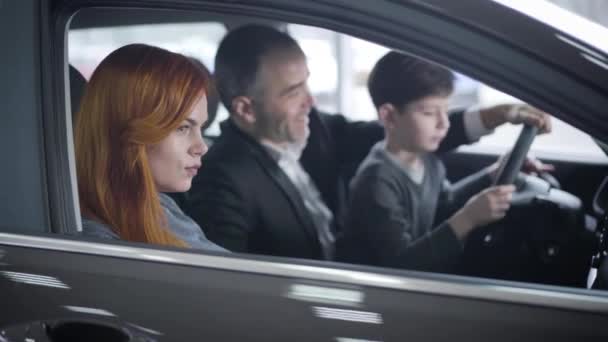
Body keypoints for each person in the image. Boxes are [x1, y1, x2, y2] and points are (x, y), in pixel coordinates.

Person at [185, 24, 550, 260]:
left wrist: (497, 115)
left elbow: (402, 132)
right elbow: (231, 289)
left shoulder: (313, 126)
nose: (310, 102)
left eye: (307, 83)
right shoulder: (221, 179)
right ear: (246, 109)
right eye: (294, 91)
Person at [336, 52, 524, 272]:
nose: (444, 123)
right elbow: (402, 265)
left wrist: (491, 176)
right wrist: (468, 219)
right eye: (429, 113)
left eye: (446, 111)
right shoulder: (376, 182)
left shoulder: (426, 159)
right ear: (389, 116)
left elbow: (444, 204)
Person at [75, 43, 225, 252]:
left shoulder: (157, 205)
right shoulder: (102, 245)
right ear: (127, 131)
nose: (201, 147)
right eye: (182, 128)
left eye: (201, 127)